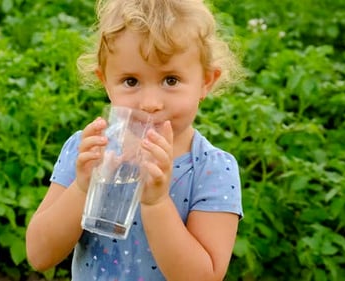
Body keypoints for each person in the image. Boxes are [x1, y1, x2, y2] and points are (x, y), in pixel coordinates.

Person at [26, 0, 244, 280]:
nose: (150, 104)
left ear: (206, 81)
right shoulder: (89, 151)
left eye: (171, 80)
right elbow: (39, 255)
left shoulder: (212, 170)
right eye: (130, 81)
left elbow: (204, 277)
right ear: (105, 81)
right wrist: (82, 187)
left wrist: (156, 203)